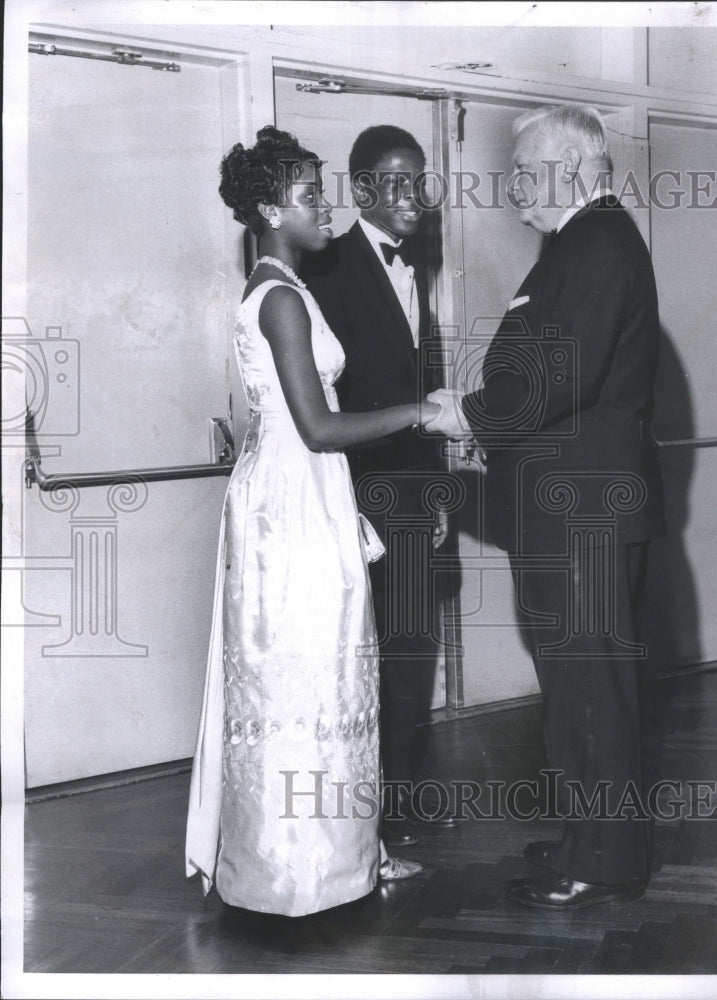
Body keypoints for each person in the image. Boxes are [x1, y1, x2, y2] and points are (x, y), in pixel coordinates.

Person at [185, 126, 444, 917]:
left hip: (303, 493)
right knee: (306, 679)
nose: (325, 207)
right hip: (296, 500)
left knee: (323, 679)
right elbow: (320, 428)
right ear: (269, 210)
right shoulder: (284, 301)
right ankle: (299, 870)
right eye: (310, 197)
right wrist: (424, 413)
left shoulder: (277, 288)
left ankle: (342, 857)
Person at [426, 105, 665, 909]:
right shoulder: (579, 245)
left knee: (591, 692)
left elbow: (560, 378)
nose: (515, 185)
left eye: (525, 169)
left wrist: (466, 412)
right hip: (572, 515)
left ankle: (602, 859)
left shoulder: (595, 245)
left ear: (569, 167)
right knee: (578, 691)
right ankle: (588, 840)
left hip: (582, 520)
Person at [305, 126, 462, 847]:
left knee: (407, 652)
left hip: (407, 495)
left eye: (420, 180)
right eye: (396, 182)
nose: (414, 196)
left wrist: (434, 492)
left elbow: (423, 391)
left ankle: (396, 805)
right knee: (352, 657)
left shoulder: (416, 270)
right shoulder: (325, 267)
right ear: (361, 189)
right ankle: (353, 811)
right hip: (350, 492)